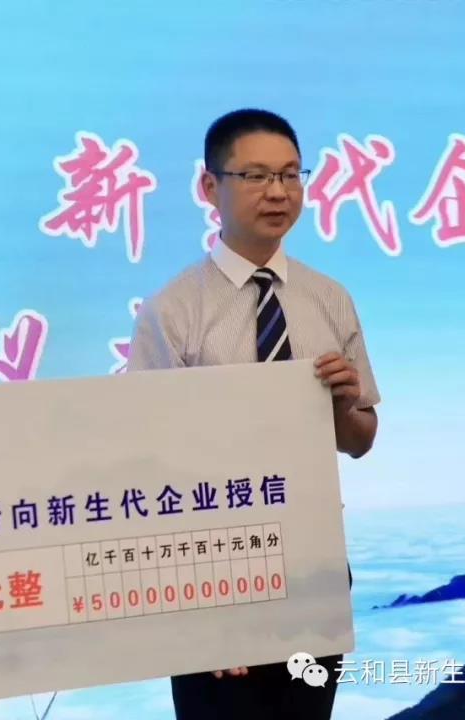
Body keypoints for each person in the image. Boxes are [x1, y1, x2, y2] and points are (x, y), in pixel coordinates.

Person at [127, 109, 380, 719]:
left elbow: (360, 439)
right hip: (209, 572)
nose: (278, 192)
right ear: (209, 187)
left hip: (314, 565)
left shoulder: (329, 298)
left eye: (292, 174)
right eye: (257, 175)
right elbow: (149, 463)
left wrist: (343, 404)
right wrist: (202, 606)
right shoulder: (173, 311)